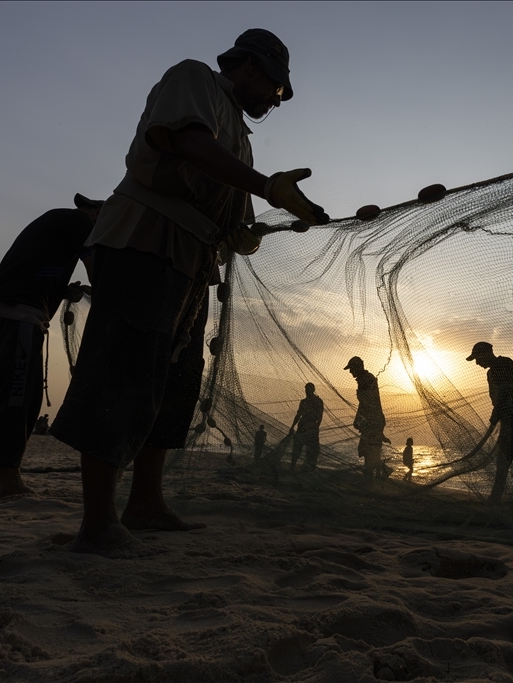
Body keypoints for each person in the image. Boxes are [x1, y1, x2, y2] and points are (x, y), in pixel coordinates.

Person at [50, 29, 328, 557]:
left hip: (193, 260)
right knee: (125, 367)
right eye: (274, 87)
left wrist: (247, 228)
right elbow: (189, 144)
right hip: (145, 239)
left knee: (176, 380)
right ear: (249, 66)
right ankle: (97, 521)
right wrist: (266, 186)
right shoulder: (194, 77)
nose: (276, 99)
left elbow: (233, 210)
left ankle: (146, 504)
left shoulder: (242, 139)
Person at [0, 194, 103, 499]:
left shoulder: (58, 224)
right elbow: (96, 266)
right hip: (18, 315)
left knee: (8, 401)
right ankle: (6, 478)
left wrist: (62, 288)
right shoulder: (80, 222)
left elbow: (36, 270)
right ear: (97, 212)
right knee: (20, 401)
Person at [465, 342, 513, 504]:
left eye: (477, 358)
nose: (477, 363)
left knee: (511, 460)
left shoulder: (501, 367)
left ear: (486, 354)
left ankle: (502, 500)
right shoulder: (501, 367)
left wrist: (494, 417)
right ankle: (508, 499)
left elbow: (505, 394)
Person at [344, 357, 389, 483]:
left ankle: (371, 479)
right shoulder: (364, 379)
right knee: (367, 451)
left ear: (358, 367)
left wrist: (362, 420)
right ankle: (377, 474)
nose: (350, 372)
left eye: (351, 368)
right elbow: (364, 403)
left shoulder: (366, 379)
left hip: (373, 422)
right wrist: (359, 419)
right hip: (372, 421)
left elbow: (369, 403)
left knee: (369, 452)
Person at [289, 383, 323, 472]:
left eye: (308, 389)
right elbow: (298, 415)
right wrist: (292, 426)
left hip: (312, 428)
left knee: (312, 451)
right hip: (302, 427)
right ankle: (292, 467)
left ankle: (310, 469)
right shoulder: (303, 402)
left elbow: (320, 416)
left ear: (313, 390)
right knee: (297, 449)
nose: (307, 391)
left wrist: (316, 427)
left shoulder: (318, 401)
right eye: (306, 389)